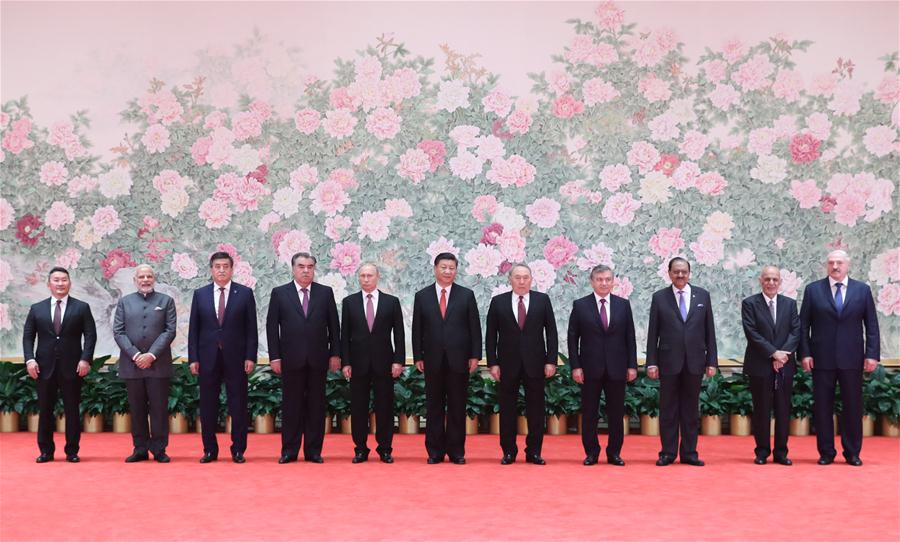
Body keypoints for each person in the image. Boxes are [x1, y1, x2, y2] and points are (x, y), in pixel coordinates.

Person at [799, 250, 880, 466]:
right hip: (821, 359)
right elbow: (803, 325)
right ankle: (826, 452)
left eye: (839, 263)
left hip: (852, 359)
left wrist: (872, 354)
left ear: (847, 265)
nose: (835, 266)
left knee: (852, 406)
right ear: (826, 266)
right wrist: (804, 353)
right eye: (831, 263)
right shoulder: (813, 290)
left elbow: (871, 325)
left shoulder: (862, 290)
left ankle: (852, 452)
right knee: (822, 407)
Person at [266, 252, 340, 464]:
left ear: (314, 269)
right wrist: (275, 357)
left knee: (316, 406)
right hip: (290, 359)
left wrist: (335, 353)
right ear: (293, 268)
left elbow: (334, 326)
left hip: (318, 359)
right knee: (291, 406)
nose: (306, 270)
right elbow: (272, 328)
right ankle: (289, 450)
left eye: (310, 266)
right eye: (301, 266)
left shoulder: (325, 293)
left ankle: (313, 451)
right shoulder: (280, 293)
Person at [646, 257, 717, 466]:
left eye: (684, 272)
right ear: (669, 273)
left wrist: (711, 360)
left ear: (689, 273)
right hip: (668, 361)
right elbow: (653, 333)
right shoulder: (660, 297)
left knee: (690, 410)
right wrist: (651, 362)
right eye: (676, 272)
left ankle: (689, 453)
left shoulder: (702, 295)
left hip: (695, 362)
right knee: (668, 410)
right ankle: (667, 453)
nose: (680, 275)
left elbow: (709, 330)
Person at [412, 252, 481, 464]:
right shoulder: (422, 296)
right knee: (433, 407)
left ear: (456, 270)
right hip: (431, 359)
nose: (448, 271)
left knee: (457, 406)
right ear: (435, 269)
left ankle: (456, 452)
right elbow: (417, 329)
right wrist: (417, 356)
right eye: (444, 267)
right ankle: (434, 452)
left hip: (459, 360)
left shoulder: (466, 295)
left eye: (451, 268)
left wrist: (475, 356)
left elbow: (474, 328)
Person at [188, 251, 257, 463]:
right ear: (211, 269)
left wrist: (250, 356)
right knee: (208, 405)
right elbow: (194, 329)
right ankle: (209, 450)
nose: (221, 270)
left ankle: (238, 450)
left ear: (231, 269)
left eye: (225, 266)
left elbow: (251, 329)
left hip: (236, 358)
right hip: (207, 358)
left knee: (238, 404)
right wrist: (193, 358)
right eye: (217, 266)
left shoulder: (244, 293)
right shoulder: (200, 294)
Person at [485, 264, 558, 465]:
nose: (522, 281)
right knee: (507, 410)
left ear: (531, 279)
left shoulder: (542, 300)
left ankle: (534, 451)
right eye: (518, 277)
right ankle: (508, 452)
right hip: (507, 365)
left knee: (536, 410)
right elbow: (491, 335)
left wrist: (551, 360)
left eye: (526, 277)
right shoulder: (498, 302)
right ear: (510, 279)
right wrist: (493, 363)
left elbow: (551, 333)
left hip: (536, 364)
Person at [23, 266, 97, 463]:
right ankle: (46, 451)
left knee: (72, 410)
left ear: (69, 283)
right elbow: (28, 337)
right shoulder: (36, 308)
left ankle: (72, 451)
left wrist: (85, 359)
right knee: (45, 410)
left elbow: (90, 336)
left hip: (73, 367)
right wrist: (30, 359)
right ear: (49, 284)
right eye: (56, 280)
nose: (60, 283)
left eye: (64, 280)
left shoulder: (81, 307)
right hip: (43, 367)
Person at [567, 265, 637, 466]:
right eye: (599, 279)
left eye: (607, 279)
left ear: (613, 281)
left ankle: (614, 453)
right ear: (592, 282)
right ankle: (591, 452)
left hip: (617, 368)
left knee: (616, 414)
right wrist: (575, 366)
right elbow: (573, 339)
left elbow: (630, 337)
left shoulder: (623, 305)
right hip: (589, 369)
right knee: (589, 413)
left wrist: (632, 366)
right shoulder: (580, 305)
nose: (604, 283)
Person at [340, 263, 405, 464]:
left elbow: (400, 335)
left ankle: (385, 448)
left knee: (384, 407)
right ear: (358, 278)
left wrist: (398, 361)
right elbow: (345, 336)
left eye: (369, 275)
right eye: (362, 276)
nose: (366, 279)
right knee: (358, 408)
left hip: (384, 363)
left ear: (378, 277)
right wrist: (346, 362)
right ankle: (360, 448)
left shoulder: (391, 302)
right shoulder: (349, 302)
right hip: (357, 364)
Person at [113, 264, 177, 463]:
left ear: (154, 279)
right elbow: (119, 332)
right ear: (135, 280)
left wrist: (150, 355)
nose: (146, 280)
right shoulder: (124, 302)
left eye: (149, 276)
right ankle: (139, 448)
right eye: (141, 276)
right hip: (132, 365)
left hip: (158, 365)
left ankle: (159, 449)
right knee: (137, 408)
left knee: (159, 409)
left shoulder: (166, 301)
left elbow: (170, 331)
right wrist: (135, 355)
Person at [740, 265, 800, 466]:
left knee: (783, 409)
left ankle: (781, 452)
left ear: (780, 282)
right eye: (767, 279)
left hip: (785, 365)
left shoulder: (790, 304)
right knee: (761, 410)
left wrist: (782, 356)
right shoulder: (749, 304)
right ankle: (762, 451)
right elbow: (752, 333)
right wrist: (773, 353)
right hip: (759, 365)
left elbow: (795, 332)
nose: (771, 283)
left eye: (775, 279)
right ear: (760, 281)